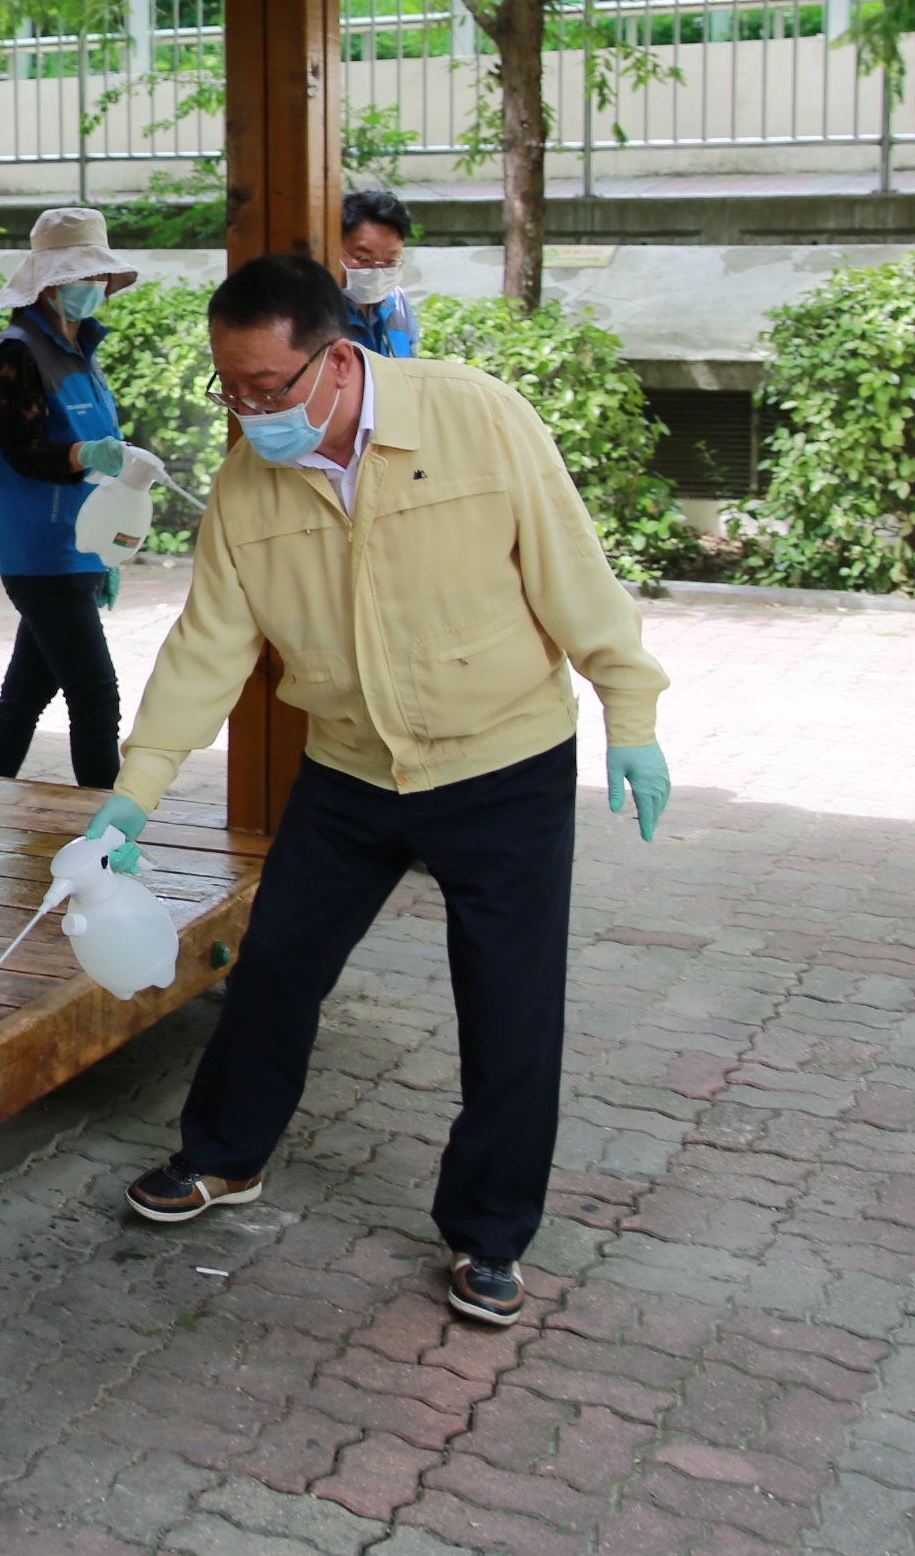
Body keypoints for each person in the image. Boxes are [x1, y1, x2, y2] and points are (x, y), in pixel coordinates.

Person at [86, 253, 671, 1327]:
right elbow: (207, 649)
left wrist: (627, 710)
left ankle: (490, 1234)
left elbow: (572, 568)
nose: (251, 409)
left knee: (509, 1005)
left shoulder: (473, 417)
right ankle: (224, 1156)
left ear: (339, 355)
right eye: (233, 388)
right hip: (352, 770)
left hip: (503, 764)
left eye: (271, 385)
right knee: (275, 970)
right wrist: (136, 791)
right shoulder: (247, 484)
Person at [0, 206, 141, 792]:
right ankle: (109, 839)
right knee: (95, 696)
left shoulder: (79, 352)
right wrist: (84, 455)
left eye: (97, 278)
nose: (91, 288)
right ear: (46, 282)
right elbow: (24, 449)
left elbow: (103, 453)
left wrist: (106, 555)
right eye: (78, 277)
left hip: (80, 548)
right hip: (43, 554)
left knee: (23, 696)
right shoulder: (15, 353)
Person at [340, 187, 419, 357]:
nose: (377, 272)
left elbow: (411, 369)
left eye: (390, 261)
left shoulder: (397, 303)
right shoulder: (316, 310)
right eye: (364, 260)